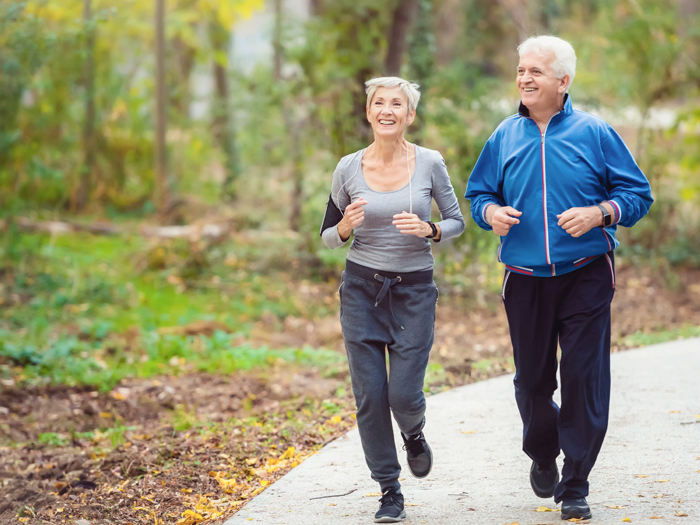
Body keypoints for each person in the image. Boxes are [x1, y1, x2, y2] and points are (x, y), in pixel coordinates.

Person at [465, 36, 653, 521]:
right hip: (524, 277)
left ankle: (575, 483)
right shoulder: (504, 135)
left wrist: (601, 213)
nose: (525, 78)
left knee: (583, 378)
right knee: (531, 383)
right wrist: (490, 213)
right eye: (521, 69)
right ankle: (544, 452)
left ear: (563, 82)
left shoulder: (594, 132)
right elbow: (478, 193)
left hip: (586, 274)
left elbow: (637, 194)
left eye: (536, 71)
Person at [320, 76, 464, 523]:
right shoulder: (347, 167)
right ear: (369, 113)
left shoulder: (430, 163)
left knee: (402, 394)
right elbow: (327, 237)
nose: (387, 110)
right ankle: (389, 488)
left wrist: (432, 230)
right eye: (378, 103)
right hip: (362, 290)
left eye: (396, 104)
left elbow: (457, 220)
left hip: (414, 292)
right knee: (369, 395)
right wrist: (344, 227)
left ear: (409, 115)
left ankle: (414, 433)